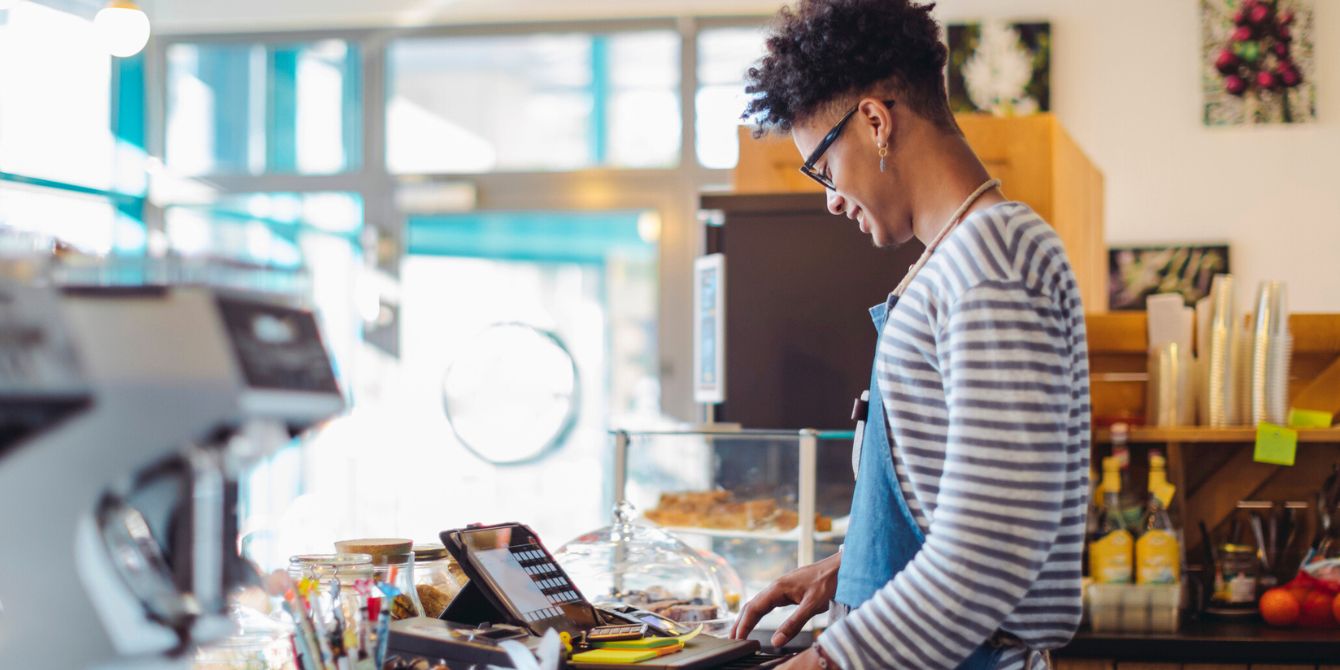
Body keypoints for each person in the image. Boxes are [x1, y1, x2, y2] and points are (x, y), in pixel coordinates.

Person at [727, 1, 1092, 669]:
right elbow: (950, 504)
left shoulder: (993, 262)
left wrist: (824, 662)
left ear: (874, 120)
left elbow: (989, 552)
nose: (830, 198)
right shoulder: (958, 259)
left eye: (823, 169)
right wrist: (851, 563)